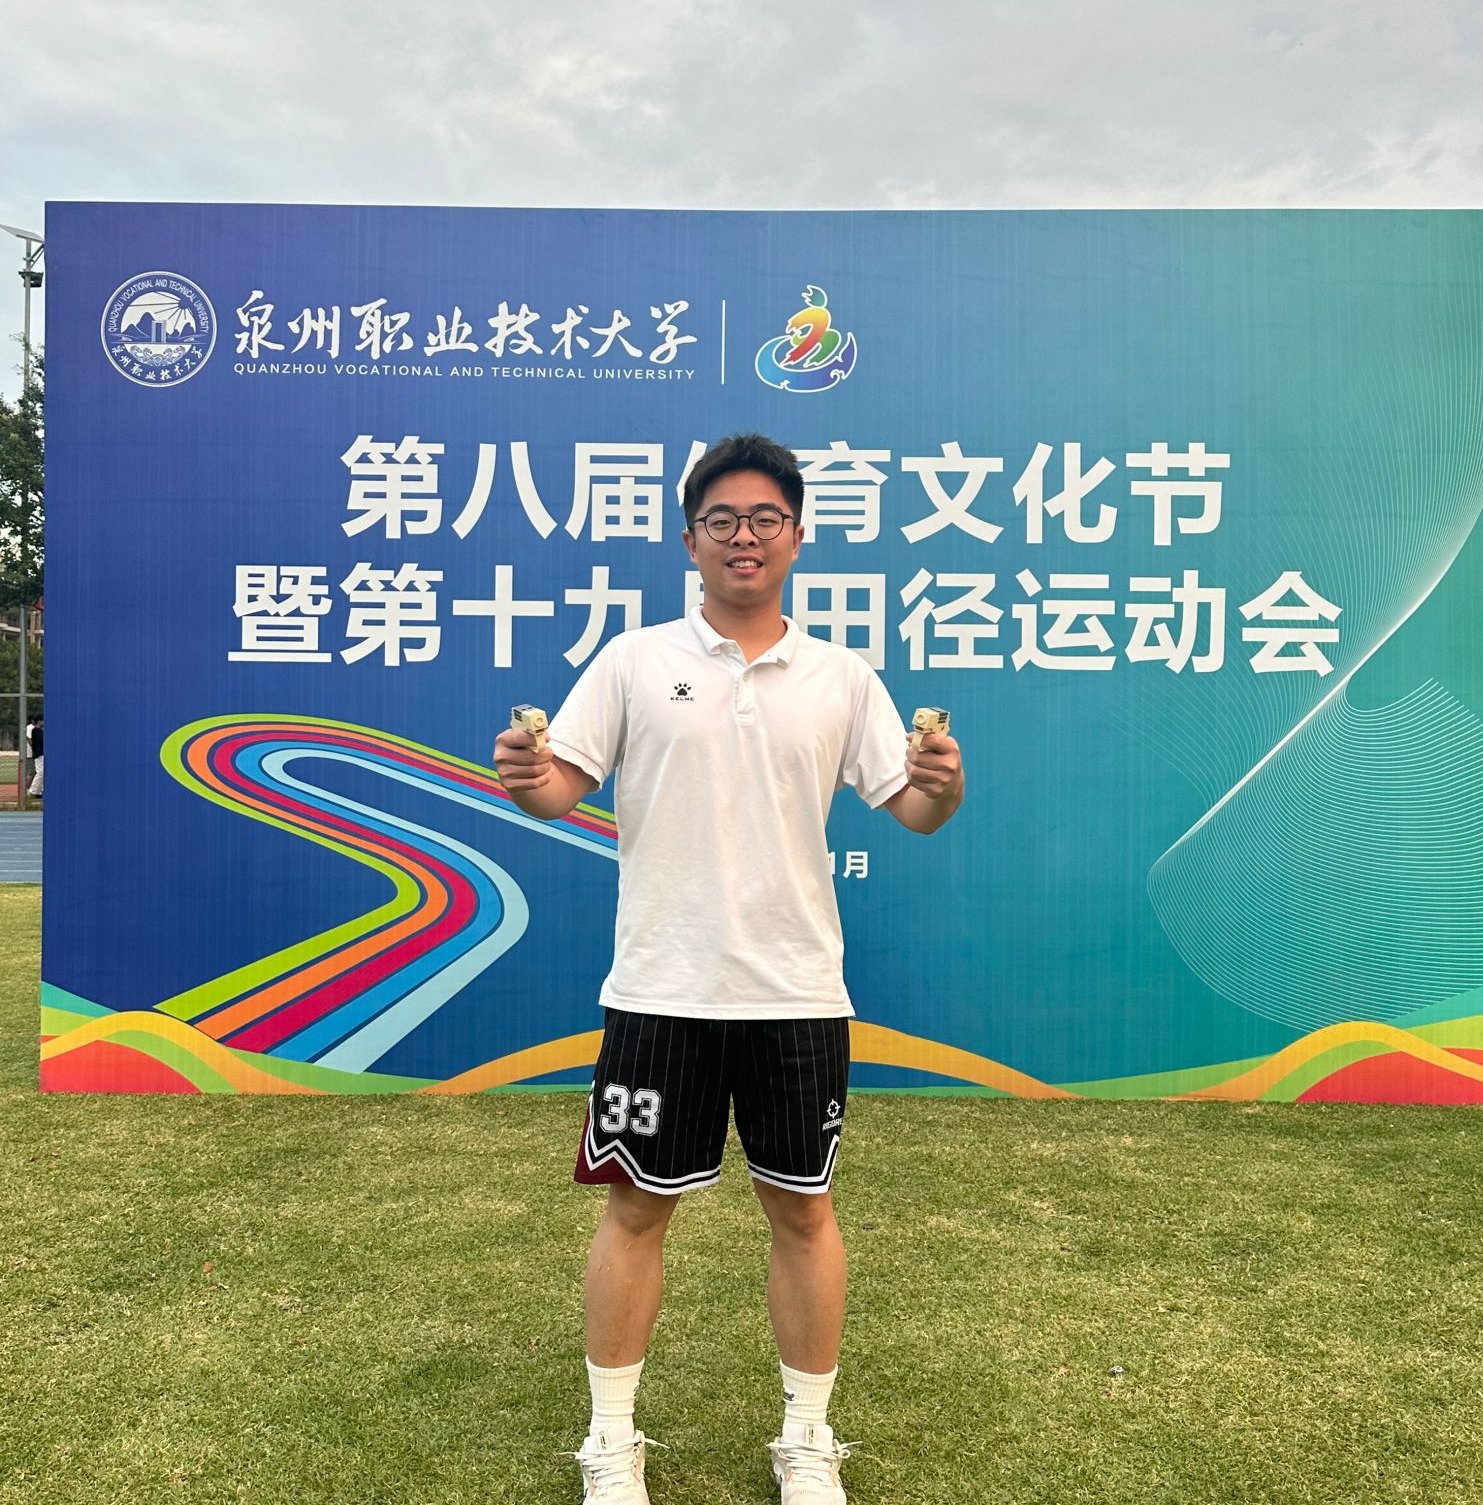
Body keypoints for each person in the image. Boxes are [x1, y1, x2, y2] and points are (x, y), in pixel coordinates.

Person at [493, 433, 964, 1504]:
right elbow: (559, 788)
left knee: (803, 1212)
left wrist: (945, 783)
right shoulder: (632, 661)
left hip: (797, 994)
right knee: (632, 1211)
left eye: (763, 519)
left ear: (797, 536)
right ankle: (610, 1441)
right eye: (721, 520)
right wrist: (525, 776)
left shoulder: (842, 676)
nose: (742, 536)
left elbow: (914, 808)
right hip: (658, 992)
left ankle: (807, 1438)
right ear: (689, 539)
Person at [26, 713, 43, 800]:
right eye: (42, 720)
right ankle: (32, 791)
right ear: (39, 721)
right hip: (38, 754)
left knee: (43, 772)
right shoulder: (35, 730)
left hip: (42, 754)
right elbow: (35, 743)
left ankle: (38, 791)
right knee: (41, 772)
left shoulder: (41, 730)